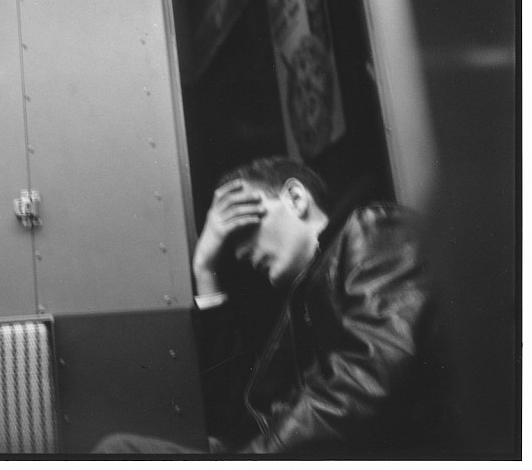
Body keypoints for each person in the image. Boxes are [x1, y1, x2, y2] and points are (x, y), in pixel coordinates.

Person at [96, 157, 453, 457]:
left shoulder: (371, 229)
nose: (237, 252)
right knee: (119, 450)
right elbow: (242, 419)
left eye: (244, 227)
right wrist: (205, 271)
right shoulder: (299, 304)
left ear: (296, 198)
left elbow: (370, 375)